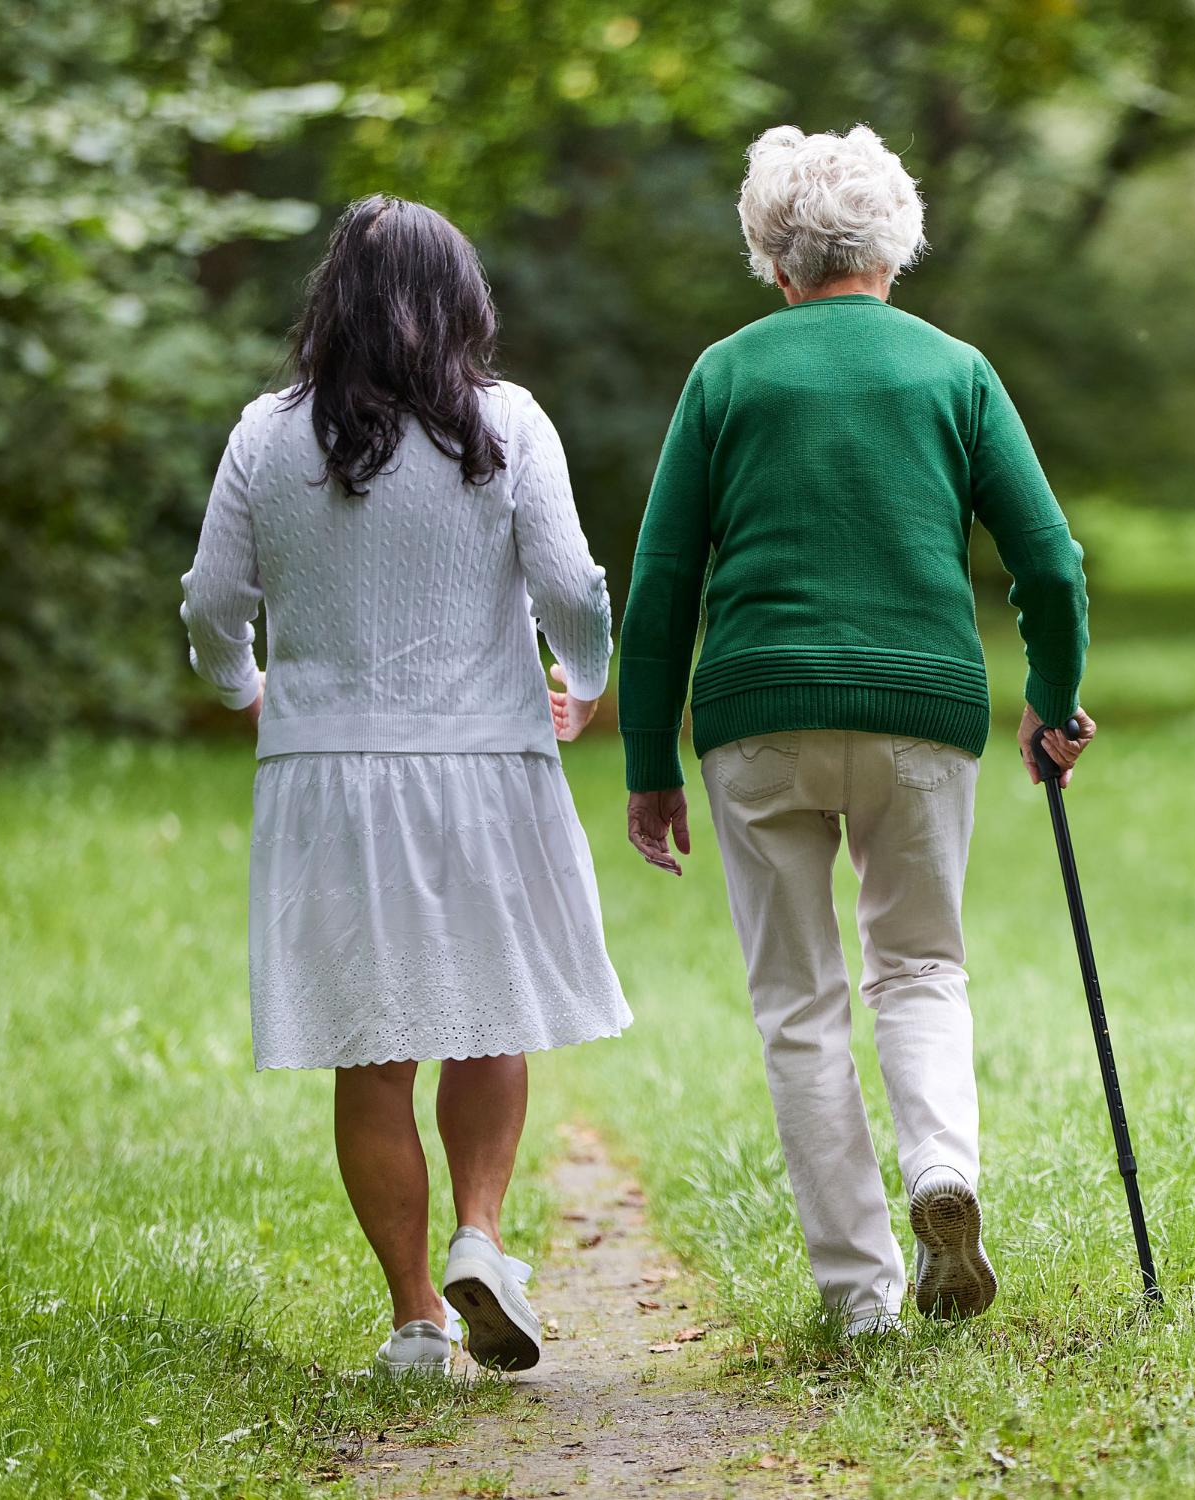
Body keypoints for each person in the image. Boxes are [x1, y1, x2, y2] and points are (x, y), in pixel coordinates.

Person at [618, 125, 1095, 1336]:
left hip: (757, 720)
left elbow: (665, 576)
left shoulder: (727, 373)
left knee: (800, 1004)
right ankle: (943, 1168)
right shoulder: (955, 371)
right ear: (897, 243)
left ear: (772, 255)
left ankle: (860, 1296)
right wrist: (1052, 691)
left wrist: (646, 761)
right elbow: (1048, 556)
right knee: (921, 964)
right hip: (923, 714)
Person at [180, 196, 629, 1376]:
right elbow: (574, 586)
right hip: (486, 765)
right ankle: (481, 1235)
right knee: (489, 1018)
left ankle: (418, 1316)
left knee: (371, 1051)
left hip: (330, 778)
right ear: (462, 301)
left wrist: (243, 690)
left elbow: (212, 602)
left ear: (332, 300)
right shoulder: (507, 424)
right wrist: (580, 679)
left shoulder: (265, 436)